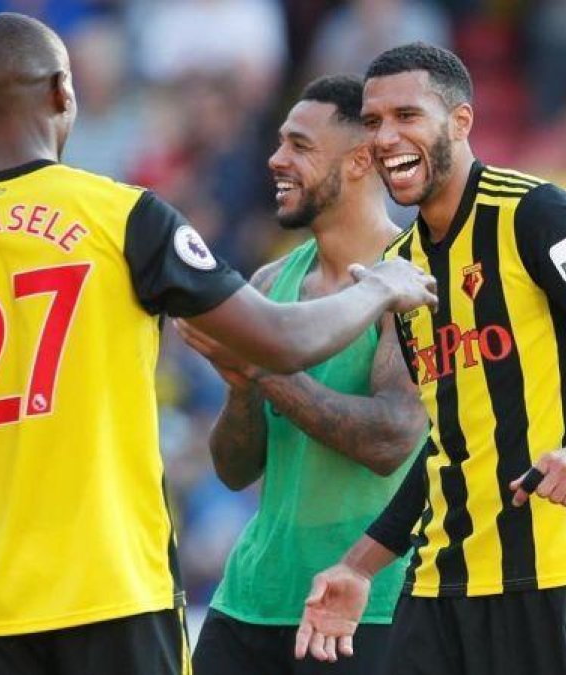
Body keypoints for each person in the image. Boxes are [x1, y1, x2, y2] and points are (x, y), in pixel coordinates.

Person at [0, 13, 438, 675]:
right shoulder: (124, 217)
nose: (274, 159)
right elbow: (279, 346)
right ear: (64, 92)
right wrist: (377, 290)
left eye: (297, 145)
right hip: (114, 587)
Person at [295, 42, 566, 675]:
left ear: (461, 122)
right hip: (439, 587)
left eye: (406, 116)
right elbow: (450, 441)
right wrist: (359, 565)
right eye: (373, 123)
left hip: (557, 576)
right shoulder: (403, 266)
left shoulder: (539, 215)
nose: (386, 137)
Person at [180, 75, 427, 675]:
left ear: (363, 159)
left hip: (363, 602)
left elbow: (391, 439)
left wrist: (264, 368)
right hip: (251, 597)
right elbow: (235, 469)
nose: (276, 159)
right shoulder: (269, 285)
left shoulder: (415, 277)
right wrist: (242, 385)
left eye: (299, 145)